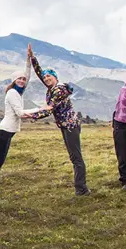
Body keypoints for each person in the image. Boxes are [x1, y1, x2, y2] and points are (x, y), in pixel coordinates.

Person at [29, 45, 91, 196]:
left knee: (76, 157)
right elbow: (39, 73)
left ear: (55, 77)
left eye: (49, 76)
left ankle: (81, 189)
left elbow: (50, 108)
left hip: (70, 126)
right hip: (65, 126)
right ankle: (80, 187)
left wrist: (32, 116)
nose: (46, 78)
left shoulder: (59, 90)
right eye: (45, 77)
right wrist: (32, 58)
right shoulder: (51, 88)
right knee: (73, 156)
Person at [0, 51, 44, 201]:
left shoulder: (19, 92)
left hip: (9, 132)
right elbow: (19, 113)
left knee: (0, 161)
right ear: (14, 80)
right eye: (19, 78)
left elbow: (28, 76)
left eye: (23, 79)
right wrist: (41, 109)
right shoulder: (12, 93)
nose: (22, 80)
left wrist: (29, 59)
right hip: (4, 131)